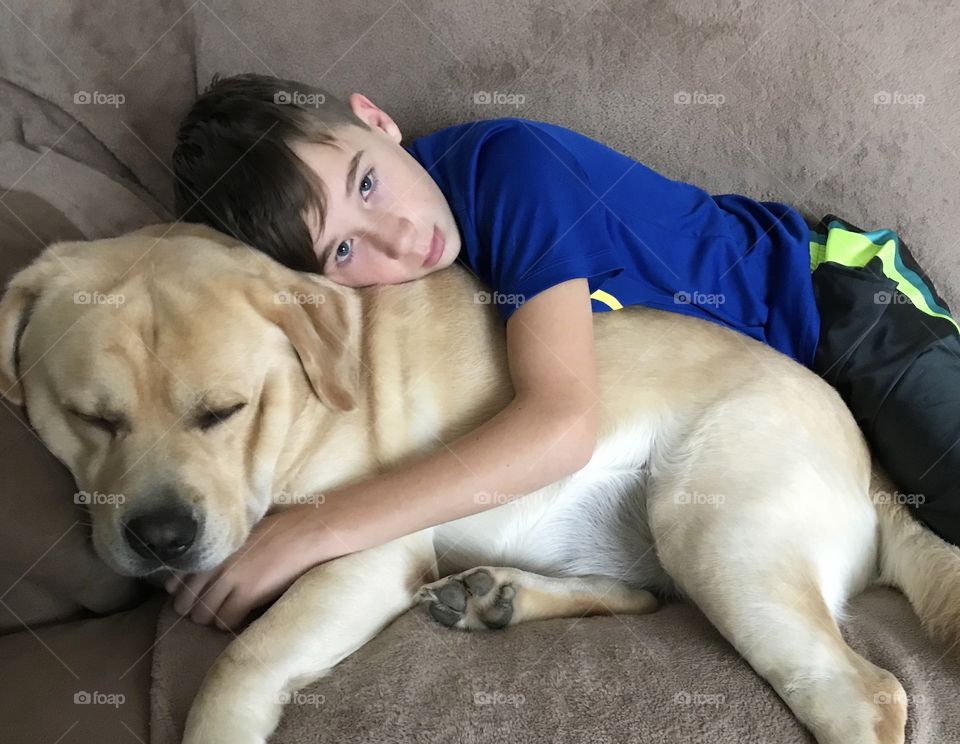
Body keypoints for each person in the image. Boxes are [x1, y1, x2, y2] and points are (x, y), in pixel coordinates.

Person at [167, 72, 960, 630]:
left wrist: (317, 528)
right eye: (344, 249)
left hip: (828, 300)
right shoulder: (408, 298)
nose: (399, 239)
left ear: (376, 120)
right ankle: (605, 596)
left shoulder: (508, 171)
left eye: (367, 184)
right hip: (758, 429)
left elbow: (562, 425)